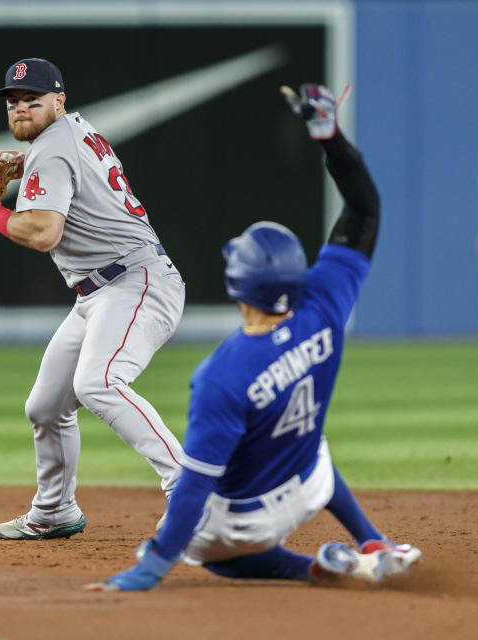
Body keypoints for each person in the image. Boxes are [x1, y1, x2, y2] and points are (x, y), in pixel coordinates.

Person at [86, 83, 422, 590]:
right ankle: (372, 542)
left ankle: (309, 567)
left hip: (243, 524)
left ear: (237, 286)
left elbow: (195, 484)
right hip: (309, 486)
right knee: (312, 444)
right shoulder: (324, 302)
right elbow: (364, 209)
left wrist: (151, 565)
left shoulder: (224, 372)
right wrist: (330, 137)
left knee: (207, 549)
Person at [0, 58, 187, 540]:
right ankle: (55, 510)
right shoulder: (71, 134)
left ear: (60, 100)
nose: (20, 109)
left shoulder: (52, 149)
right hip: (101, 291)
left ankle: (190, 488)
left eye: (32, 100)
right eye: (13, 102)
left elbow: (42, 232)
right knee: (45, 406)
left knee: (99, 383)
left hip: (136, 281)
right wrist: (23, 164)